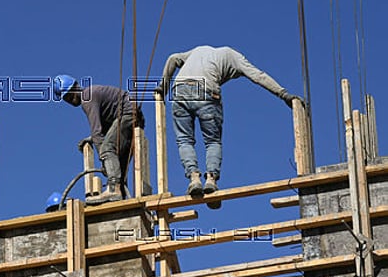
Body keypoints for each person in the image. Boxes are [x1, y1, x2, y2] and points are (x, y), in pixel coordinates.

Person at [155, 46, 300, 209]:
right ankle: (211, 179)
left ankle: (194, 179)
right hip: (206, 90)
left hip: (179, 90)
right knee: (212, 142)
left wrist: (163, 87)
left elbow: (173, 57)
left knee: (184, 140)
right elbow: (258, 76)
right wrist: (284, 94)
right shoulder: (234, 57)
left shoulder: (199, 51)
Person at [54, 75, 144, 205]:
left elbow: (97, 132)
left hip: (128, 115)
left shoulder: (87, 98)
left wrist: (104, 160)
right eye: (66, 99)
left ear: (75, 87)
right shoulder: (90, 95)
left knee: (107, 149)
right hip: (130, 117)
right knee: (118, 165)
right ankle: (120, 196)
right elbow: (105, 129)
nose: (70, 100)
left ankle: (114, 189)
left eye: (69, 96)